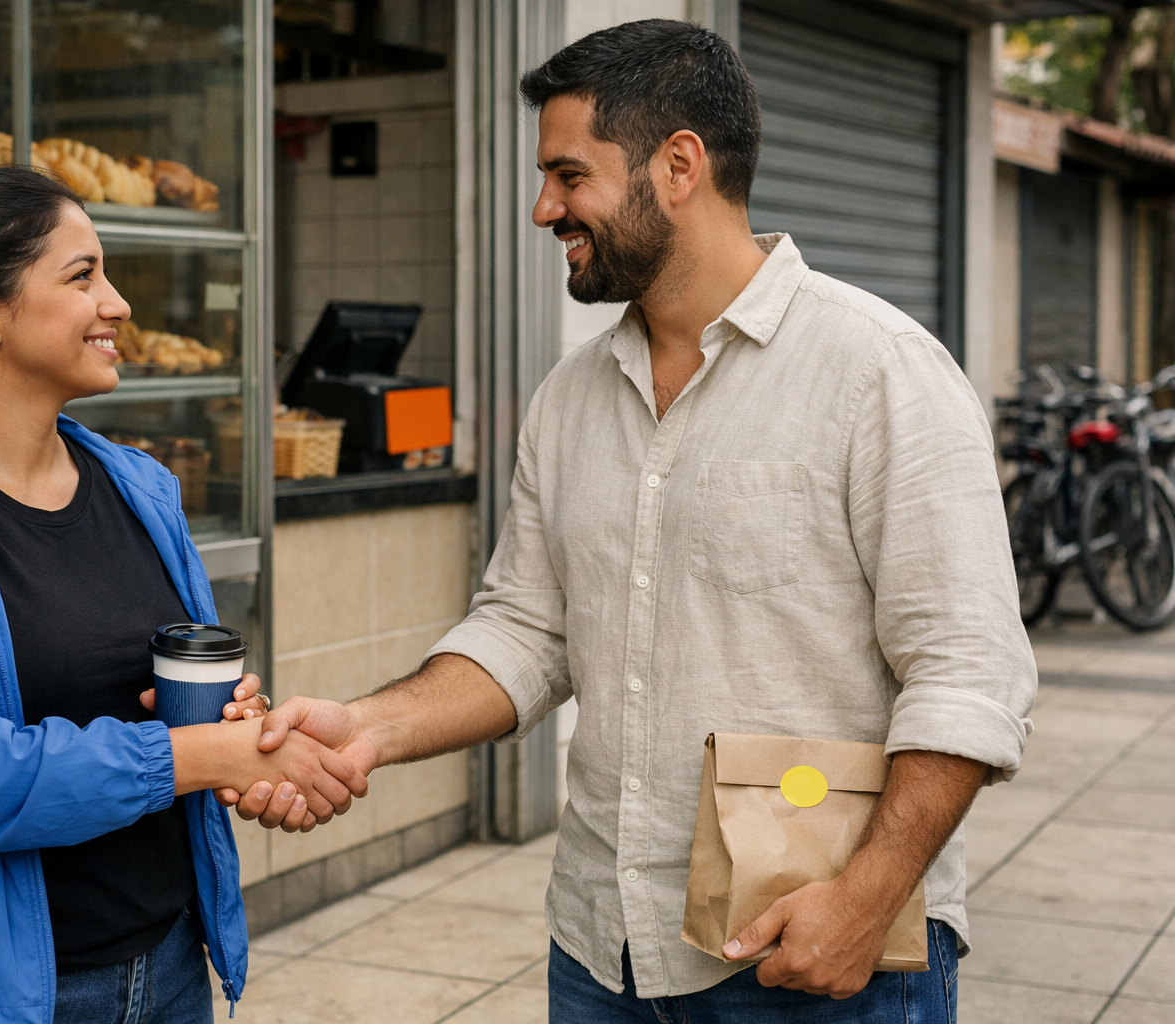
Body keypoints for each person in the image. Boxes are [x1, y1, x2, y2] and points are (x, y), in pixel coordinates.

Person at [229, 19, 1036, 1024]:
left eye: (568, 176)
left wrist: (868, 898)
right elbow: (527, 631)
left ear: (680, 165)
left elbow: (968, 672)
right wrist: (367, 730)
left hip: (815, 954)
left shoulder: (880, 372)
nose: (542, 207)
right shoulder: (569, 398)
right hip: (603, 953)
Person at [0, 165, 366, 1024]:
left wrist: (242, 730)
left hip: (170, 965)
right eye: (83, 274)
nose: (119, 303)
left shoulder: (140, 486)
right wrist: (203, 757)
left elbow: (178, 698)